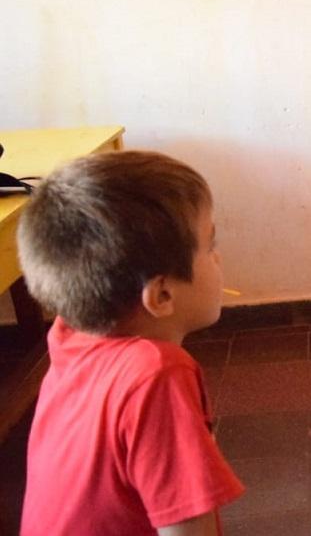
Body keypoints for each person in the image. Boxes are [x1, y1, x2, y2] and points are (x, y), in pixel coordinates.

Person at [18, 151, 244, 536]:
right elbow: (187, 530)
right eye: (209, 245)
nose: (218, 257)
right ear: (161, 296)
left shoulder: (71, 335)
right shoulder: (156, 373)